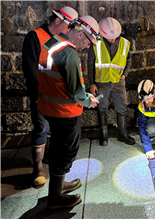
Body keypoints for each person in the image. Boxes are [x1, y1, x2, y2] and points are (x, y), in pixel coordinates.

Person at [38, 15, 100, 209]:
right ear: (81, 34)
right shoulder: (69, 53)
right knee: (64, 151)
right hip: (65, 111)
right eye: (89, 42)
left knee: (57, 146)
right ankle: (55, 198)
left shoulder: (53, 41)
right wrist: (89, 100)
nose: (88, 47)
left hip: (49, 106)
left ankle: (58, 185)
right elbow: (75, 92)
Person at [22, 6, 78, 187]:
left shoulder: (62, 40)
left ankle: (57, 178)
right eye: (69, 25)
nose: (70, 30)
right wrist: (39, 94)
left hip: (58, 98)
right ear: (58, 20)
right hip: (42, 95)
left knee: (59, 135)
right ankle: (37, 169)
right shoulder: (35, 36)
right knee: (41, 128)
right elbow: (31, 68)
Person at [87, 17, 135, 146]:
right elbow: (90, 63)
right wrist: (91, 83)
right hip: (101, 83)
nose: (113, 39)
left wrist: (124, 75)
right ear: (103, 34)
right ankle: (104, 135)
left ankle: (122, 134)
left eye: (114, 36)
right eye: (110, 36)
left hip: (119, 82)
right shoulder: (95, 43)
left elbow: (128, 60)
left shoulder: (125, 43)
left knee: (122, 107)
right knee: (102, 108)